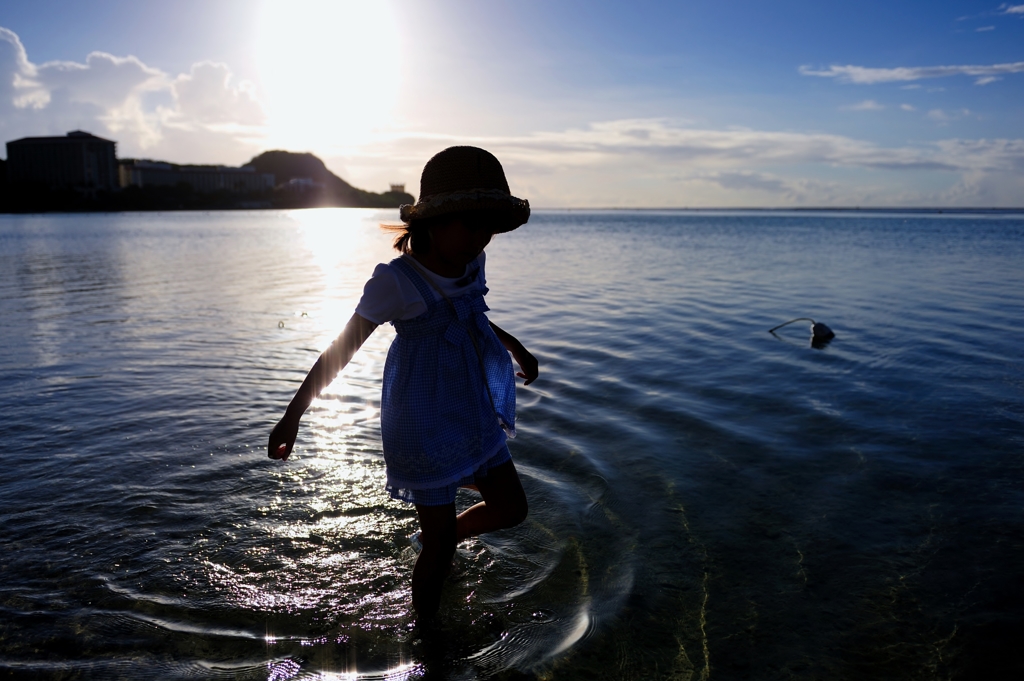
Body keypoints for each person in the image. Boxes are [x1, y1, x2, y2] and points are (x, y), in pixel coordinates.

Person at [268, 146, 538, 621]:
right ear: (433, 221)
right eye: (469, 223)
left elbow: (471, 315)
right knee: (438, 553)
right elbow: (342, 348)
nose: (480, 237)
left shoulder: (471, 262)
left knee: (512, 507)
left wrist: (514, 345)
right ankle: (428, 641)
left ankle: (445, 535)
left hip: (470, 409)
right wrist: (293, 415)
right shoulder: (397, 281)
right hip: (423, 423)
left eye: (488, 226)